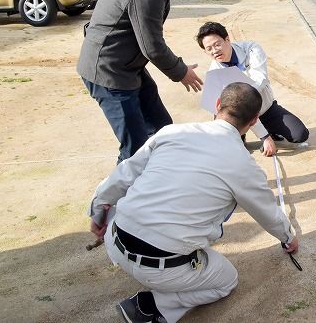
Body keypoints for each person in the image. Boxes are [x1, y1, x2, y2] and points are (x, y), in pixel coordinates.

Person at [88, 82, 300, 323]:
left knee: (134, 190)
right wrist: (287, 237)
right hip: (160, 268)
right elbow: (266, 211)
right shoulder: (244, 165)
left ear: (217, 105)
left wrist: (97, 214)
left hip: (115, 241)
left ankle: (150, 282)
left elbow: (123, 175)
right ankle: (149, 306)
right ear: (253, 122)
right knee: (226, 280)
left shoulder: (171, 132)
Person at [77, 0, 207, 163]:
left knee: (162, 129)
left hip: (128, 64)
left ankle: (159, 185)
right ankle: (114, 202)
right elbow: (152, 46)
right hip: (109, 71)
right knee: (135, 148)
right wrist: (181, 72)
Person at [196, 22, 309, 157]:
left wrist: (240, 96)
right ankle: (240, 135)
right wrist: (264, 137)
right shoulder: (214, 73)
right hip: (238, 115)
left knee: (300, 135)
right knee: (230, 148)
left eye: (217, 44)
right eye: (209, 49)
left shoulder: (251, 49)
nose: (214, 51)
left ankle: (271, 128)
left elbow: (261, 80)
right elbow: (233, 106)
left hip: (266, 109)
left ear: (227, 39)